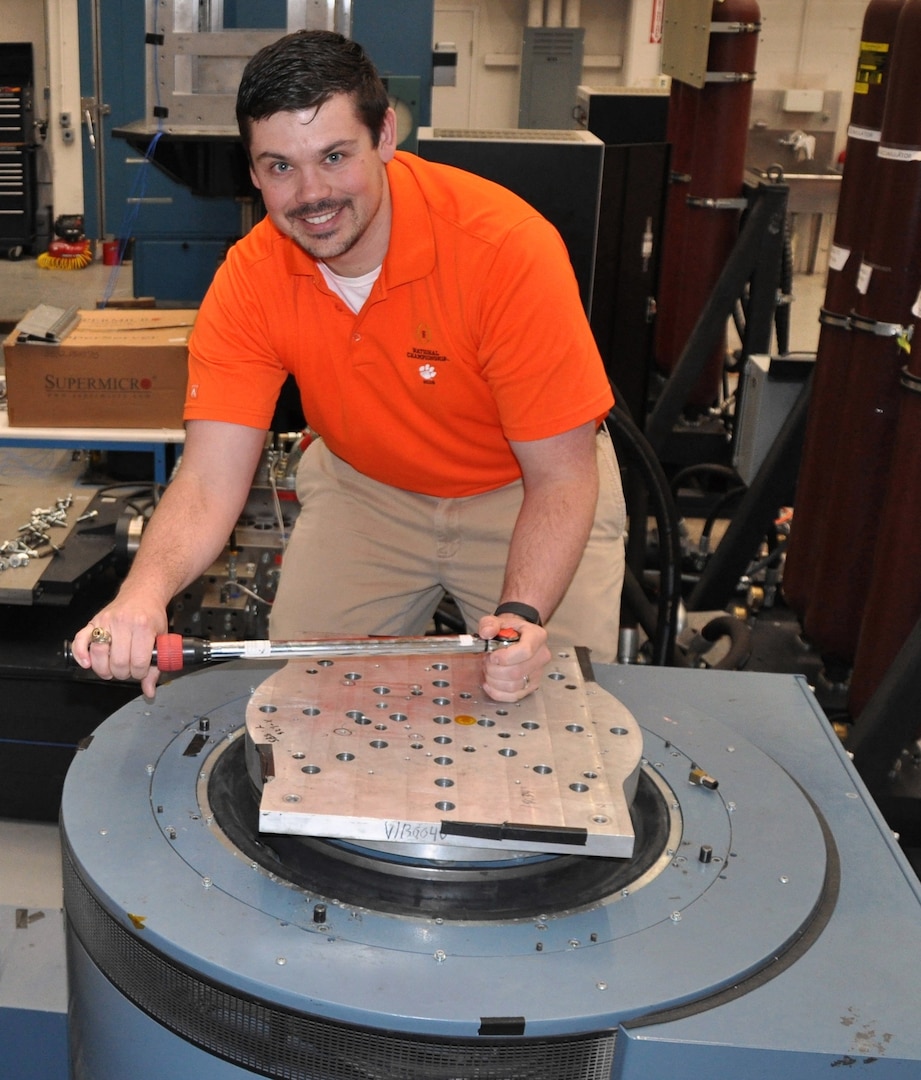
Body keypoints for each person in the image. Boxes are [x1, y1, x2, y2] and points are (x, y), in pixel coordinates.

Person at [71, 29, 626, 702]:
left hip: (520, 490)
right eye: (280, 166)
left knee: (561, 711)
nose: (311, 194)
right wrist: (142, 596)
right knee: (304, 706)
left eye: (334, 156)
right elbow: (211, 478)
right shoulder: (252, 277)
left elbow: (563, 477)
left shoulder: (503, 250)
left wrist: (523, 616)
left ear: (385, 136)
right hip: (369, 491)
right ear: (252, 171)